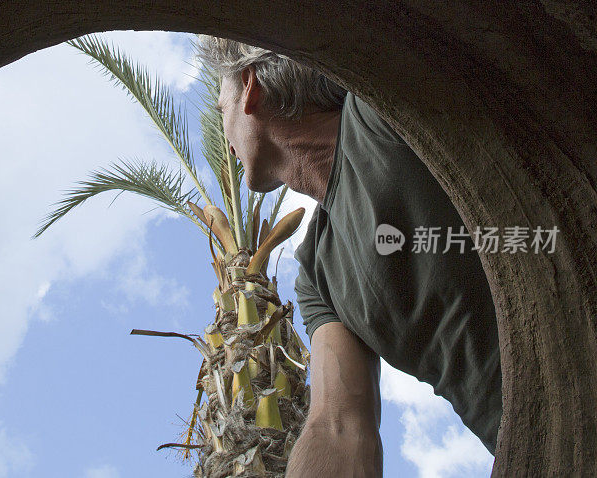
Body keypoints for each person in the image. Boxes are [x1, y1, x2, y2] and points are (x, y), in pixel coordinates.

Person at [196, 36, 502, 477]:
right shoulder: (317, 274)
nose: (226, 146)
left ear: (250, 87)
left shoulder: (380, 113)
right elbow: (337, 427)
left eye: (220, 110)